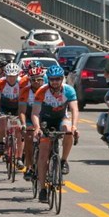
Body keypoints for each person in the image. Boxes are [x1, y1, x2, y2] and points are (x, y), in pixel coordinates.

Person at [32, 65, 79, 203]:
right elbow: (35, 113)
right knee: (43, 155)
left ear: (62, 79)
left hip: (60, 118)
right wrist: (37, 128)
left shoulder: (69, 90)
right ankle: (42, 189)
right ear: (48, 80)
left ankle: (63, 161)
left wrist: (75, 126)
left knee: (68, 130)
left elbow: (74, 110)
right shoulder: (42, 91)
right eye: (52, 79)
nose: (55, 82)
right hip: (45, 120)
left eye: (58, 79)